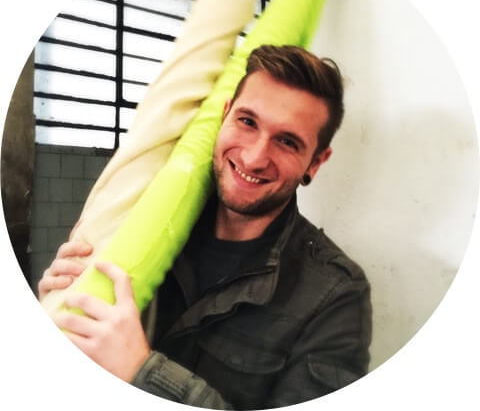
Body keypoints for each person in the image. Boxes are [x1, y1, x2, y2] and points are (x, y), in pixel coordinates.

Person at [39, 45, 372, 410]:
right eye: (247, 122)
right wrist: (59, 300)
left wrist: (142, 370)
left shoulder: (336, 296)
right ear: (225, 115)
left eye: (287, 141)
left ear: (316, 162)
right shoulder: (150, 217)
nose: (253, 158)